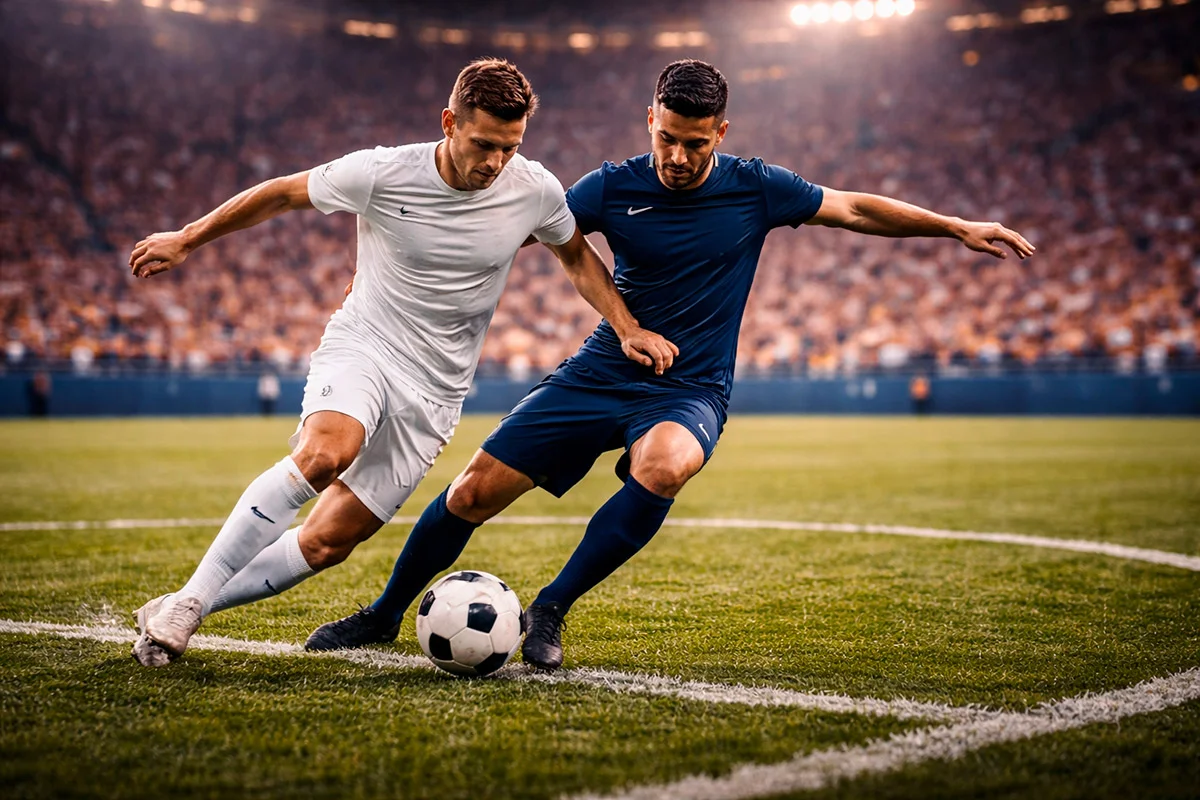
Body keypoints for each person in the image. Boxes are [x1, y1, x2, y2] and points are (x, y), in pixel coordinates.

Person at [308, 59, 1036, 671]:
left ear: (720, 132)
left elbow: (852, 209)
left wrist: (954, 226)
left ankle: (551, 611)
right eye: (666, 138)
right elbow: (510, 234)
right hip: (601, 369)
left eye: (694, 142)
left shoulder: (756, 187)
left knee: (664, 465)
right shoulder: (611, 187)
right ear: (647, 119)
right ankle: (383, 614)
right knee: (471, 493)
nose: (678, 157)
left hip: (690, 387)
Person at [126, 58, 676, 667]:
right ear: (449, 122)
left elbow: (576, 256)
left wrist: (626, 327)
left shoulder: (535, 188)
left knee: (329, 542)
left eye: (510, 147)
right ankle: (188, 605)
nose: (495, 162)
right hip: (366, 345)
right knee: (323, 453)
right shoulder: (382, 171)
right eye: (484, 144)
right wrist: (187, 237)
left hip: (436, 391)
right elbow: (281, 193)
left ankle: (186, 603)